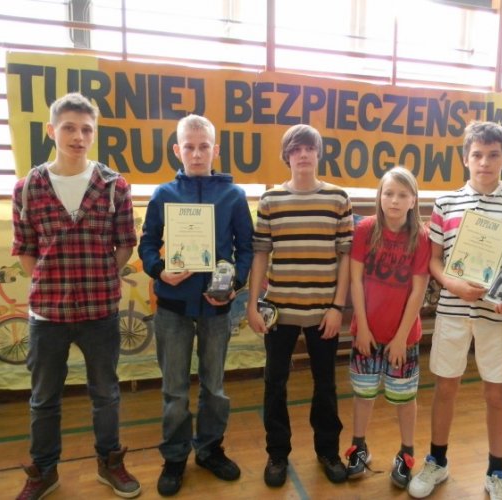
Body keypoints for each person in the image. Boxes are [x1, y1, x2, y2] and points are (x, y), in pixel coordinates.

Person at [11, 92, 141, 499]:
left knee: (106, 394)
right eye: (69, 127)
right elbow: (26, 250)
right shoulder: (28, 188)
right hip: (47, 316)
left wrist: (100, 276)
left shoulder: (114, 185)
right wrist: (53, 283)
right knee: (44, 399)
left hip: (100, 312)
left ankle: (109, 462)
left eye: (86, 129)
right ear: (52, 131)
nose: (78, 137)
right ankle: (44, 470)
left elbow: (125, 243)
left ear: (94, 133)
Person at [409, 121, 502, 500]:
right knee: (445, 387)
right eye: (477, 155)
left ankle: (497, 472)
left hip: (497, 315)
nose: (485, 162)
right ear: (465, 158)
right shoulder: (445, 203)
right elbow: (434, 260)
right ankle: (437, 461)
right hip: (452, 309)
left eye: (493, 155)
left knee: (496, 394)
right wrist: (454, 285)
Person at [138, 114, 254, 496]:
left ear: (215, 150)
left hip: (216, 308)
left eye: (204, 146)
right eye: (189, 147)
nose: (197, 153)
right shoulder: (163, 194)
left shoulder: (234, 196)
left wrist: (234, 283)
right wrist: (159, 270)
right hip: (172, 307)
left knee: (214, 387)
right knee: (174, 390)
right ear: (178, 150)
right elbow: (147, 243)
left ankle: (209, 450)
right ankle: (174, 457)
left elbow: (246, 248)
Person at [246, 123, 354, 487]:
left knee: (325, 384)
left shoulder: (338, 199)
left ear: (318, 153)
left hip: (323, 313)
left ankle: (328, 451)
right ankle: (277, 453)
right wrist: (252, 304)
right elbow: (261, 255)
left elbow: (345, 257)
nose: (303, 154)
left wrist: (337, 307)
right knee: (274, 383)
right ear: (287, 156)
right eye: (296, 149)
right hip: (279, 311)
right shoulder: (270, 201)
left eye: (309, 148)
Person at [343, 167, 431, 489]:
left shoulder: (421, 236)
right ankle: (358, 446)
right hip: (366, 333)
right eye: (389, 193)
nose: (394, 200)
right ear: (379, 196)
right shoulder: (366, 229)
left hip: (402, 338)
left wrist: (400, 338)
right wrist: (363, 327)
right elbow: (355, 280)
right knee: (363, 393)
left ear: (413, 200)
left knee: (404, 397)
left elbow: (419, 290)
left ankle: (406, 453)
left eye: (402, 195)